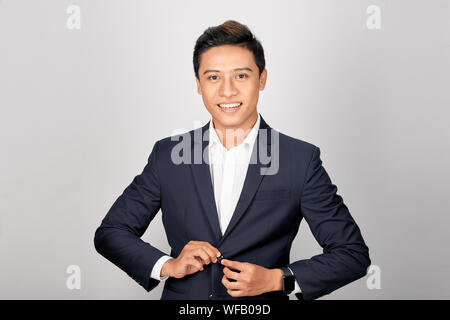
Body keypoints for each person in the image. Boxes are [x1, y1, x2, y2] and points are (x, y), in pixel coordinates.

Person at [94, 20, 371, 300]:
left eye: (241, 76)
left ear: (262, 79)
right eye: (213, 77)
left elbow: (352, 254)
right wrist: (168, 265)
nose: (227, 91)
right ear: (199, 84)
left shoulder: (300, 159)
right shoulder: (167, 155)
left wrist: (278, 279)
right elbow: (112, 232)